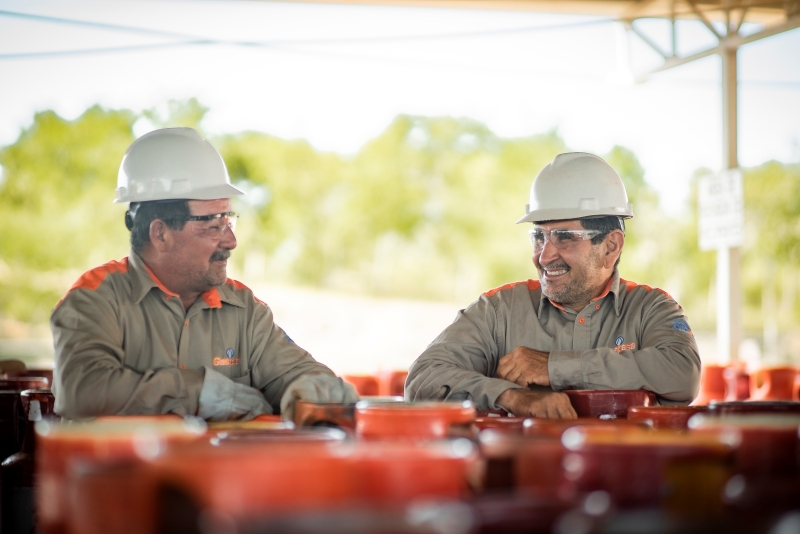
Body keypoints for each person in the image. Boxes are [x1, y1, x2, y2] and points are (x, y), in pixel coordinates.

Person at [51, 127, 357, 421]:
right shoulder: (95, 299)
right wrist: (195, 391)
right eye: (212, 225)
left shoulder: (243, 309)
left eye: (228, 220)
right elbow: (80, 390)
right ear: (160, 234)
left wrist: (312, 388)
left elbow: (297, 374)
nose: (231, 241)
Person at [405, 152, 700, 418]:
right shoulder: (499, 311)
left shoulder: (652, 309)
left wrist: (552, 366)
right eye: (539, 237)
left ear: (610, 246)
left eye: (564, 236)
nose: (544, 256)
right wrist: (510, 397)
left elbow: (682, 373)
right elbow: (422, 379)